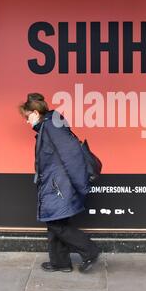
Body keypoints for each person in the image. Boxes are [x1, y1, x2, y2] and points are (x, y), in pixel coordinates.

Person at [19, 93, 100, 273]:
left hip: (59, 185)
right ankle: (60, 262)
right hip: (55, 183)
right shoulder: (49, 126)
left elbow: (72, 156)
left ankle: (90, 251)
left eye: (27, 117)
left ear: (35, 112)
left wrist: (80, 185)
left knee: (56, 224)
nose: (26, 121)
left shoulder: (52, 127)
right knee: (55, 222)